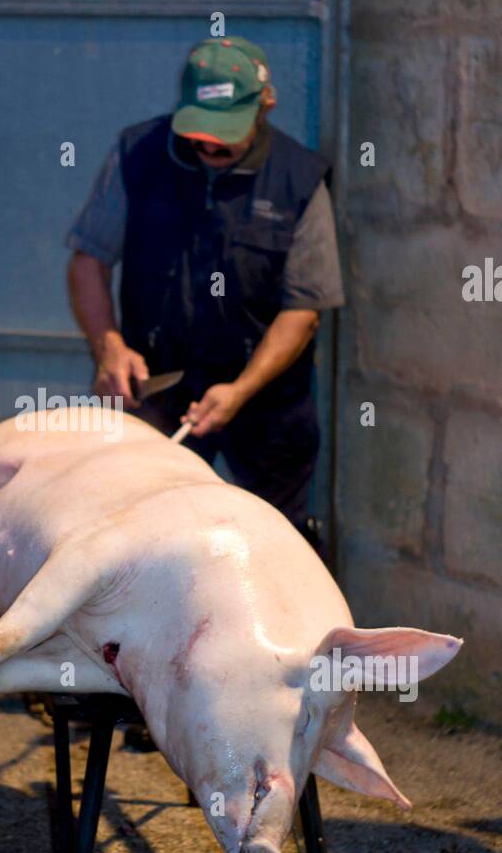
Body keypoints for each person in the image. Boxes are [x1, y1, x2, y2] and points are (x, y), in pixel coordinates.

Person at [67, 35, 344, 542]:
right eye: (199, 133)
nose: (209, 147)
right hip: (158, 393)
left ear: (266, 105)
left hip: (265, 407)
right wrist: (108, 347)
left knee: (272, 549)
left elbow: (304, 310)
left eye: (225, 136)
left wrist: (241, 390)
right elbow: (88, 260)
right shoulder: (138, 154)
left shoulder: (299, 179)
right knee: (141, 541)